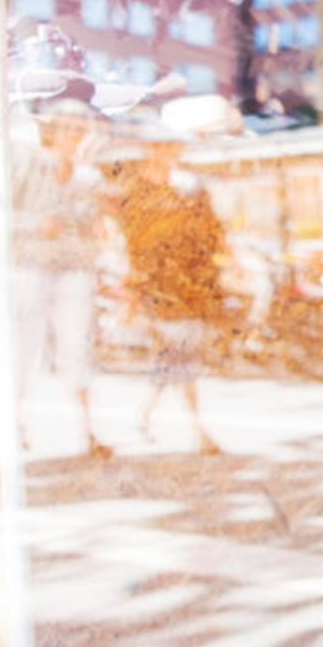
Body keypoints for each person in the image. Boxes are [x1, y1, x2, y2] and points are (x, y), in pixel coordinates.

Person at [111, 134, 227, 456]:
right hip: (157, 286)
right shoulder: (139, 193)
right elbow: (133, 241)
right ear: (149, 149)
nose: (166, 153)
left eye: (171, 147)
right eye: (159, 146)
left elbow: (211, 232)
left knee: (173, 356)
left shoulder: (189, 188)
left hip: (190, 283)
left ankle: (143, 416)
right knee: (181, 354)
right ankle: (199, 431)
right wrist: (134, 286)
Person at [13, 105, 111, 459]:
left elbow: (95, 223)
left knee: (76, 350)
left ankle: (88, 431)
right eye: (68, 128)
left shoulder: (89, 177)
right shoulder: (27, 164)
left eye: (80, 129)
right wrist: (33, 225)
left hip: (72, 269)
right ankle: (15, 427)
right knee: (24, 351)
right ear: (51, 131)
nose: (74, 136)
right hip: (31, 267)